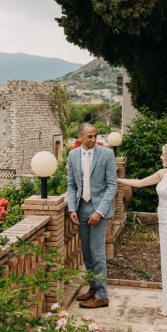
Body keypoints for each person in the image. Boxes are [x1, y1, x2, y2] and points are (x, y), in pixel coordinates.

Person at [118, 142, 167, 324]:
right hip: (164, 223)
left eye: (163, 155)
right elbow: (139, 183)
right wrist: (117, 180)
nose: (161, 157)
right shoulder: (163, 174)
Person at [68, 123, 117, 309]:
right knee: (87, 253)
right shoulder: (73, 155)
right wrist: (72, 209)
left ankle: (102, 295)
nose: (94, 140)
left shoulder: (106, 154)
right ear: (80, 137)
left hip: (100, 211)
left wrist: (99, 212)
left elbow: (112, 185)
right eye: (90, 137)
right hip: (81, 210)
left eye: (95, 136)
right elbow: (72, 185)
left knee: (98, 254)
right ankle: (93, 287)